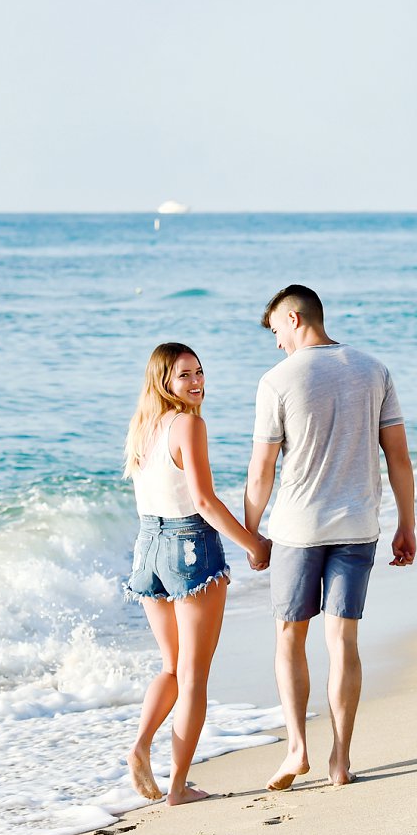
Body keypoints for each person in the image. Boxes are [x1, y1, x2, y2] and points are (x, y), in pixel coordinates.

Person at [244, 285, 416, 790]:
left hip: (298, 530)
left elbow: (261, 471)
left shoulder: (277, 381)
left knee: (289, 637)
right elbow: (399, 457)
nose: (276, 343)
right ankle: (340, 759)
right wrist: (408, 524)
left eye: (276, 331)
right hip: (359, 526)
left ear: (295, 319)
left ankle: (297, 747)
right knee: (343, 640)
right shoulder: (373, 369)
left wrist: (252, 533)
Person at [121, 342, 270, 806]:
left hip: (147, 547)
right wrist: (254, 542)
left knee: (171, 665)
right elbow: (203, 501)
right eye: (185, 375)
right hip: (188, 545)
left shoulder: (143, 427)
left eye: (200, 372)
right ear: (163, 380)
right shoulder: (189, 424)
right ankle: (178, 787)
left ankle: (142, 744)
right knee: (194, 676)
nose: (197, 382)